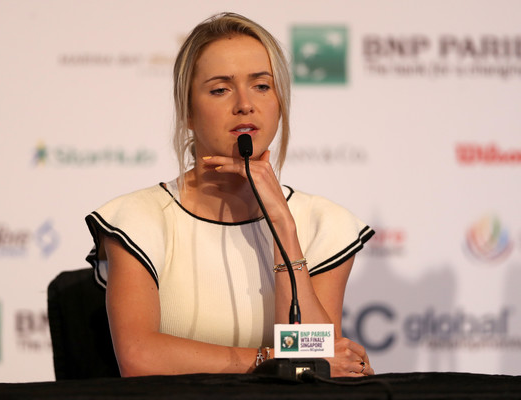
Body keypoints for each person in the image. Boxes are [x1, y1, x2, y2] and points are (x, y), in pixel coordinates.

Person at [85, 12, 375, 377]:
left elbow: (316, 364)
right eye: (221, 89)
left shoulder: (322, 223)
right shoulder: (139, 219)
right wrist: (268, 358)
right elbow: (139, 357)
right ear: (188, 111)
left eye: (262, 86)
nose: (244, 104)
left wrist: (283, 224)